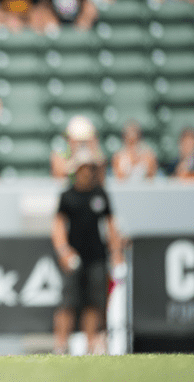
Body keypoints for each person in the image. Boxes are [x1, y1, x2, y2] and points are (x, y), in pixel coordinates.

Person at [52, 148, 125, 355]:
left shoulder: (100, 194)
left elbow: (111, 225)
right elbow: (58, 226)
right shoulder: (67, 195)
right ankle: (60, 345)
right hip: (74, 256)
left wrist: (116, 252)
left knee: (94, 303)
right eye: (83, 168)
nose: (87, 173)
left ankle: (91, 344)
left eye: (90, 168)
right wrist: (63, 251)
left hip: (96, 256)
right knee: (67, 302)